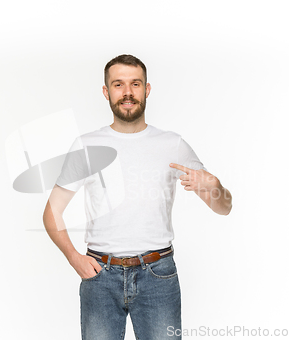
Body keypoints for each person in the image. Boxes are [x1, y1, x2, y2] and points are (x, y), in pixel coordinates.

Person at [43, 54, 232, 340]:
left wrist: (215, 185)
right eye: (118, 84)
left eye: (135, 84)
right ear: (106, 92)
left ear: (147, 89)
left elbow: (224, 208)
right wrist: (74, 257)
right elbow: (51, 212)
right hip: (100, 276)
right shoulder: (87, 145)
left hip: (158, 276)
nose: (128, 92)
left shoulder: (172, 144)